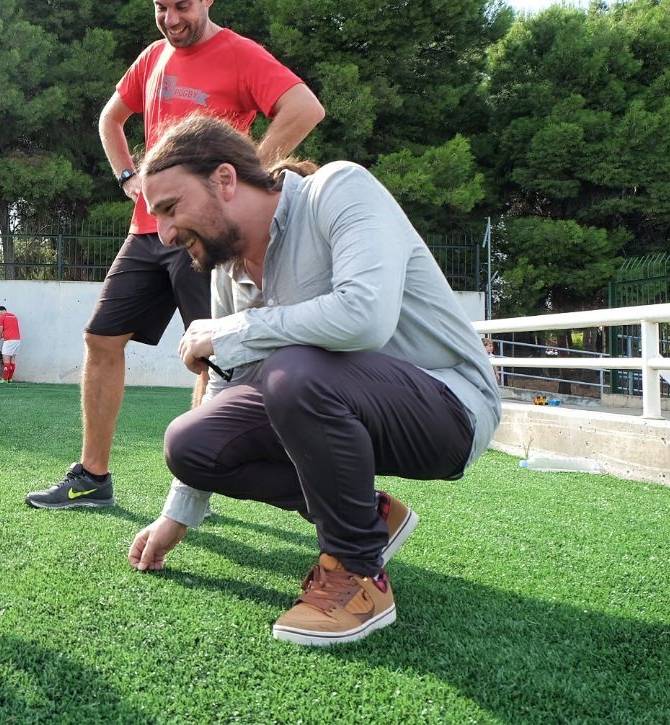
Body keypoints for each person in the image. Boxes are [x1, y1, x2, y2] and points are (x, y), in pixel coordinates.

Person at [124, 115, 501, 646]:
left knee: (292, 371)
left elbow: (364, 316)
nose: (162, 233)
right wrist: (178, 513)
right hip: (333, 400)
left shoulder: (338, 189)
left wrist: (237, 330)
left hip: (449, 406)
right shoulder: (228, 270)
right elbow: (228, 386)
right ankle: (369, 516)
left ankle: (358, 571)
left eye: (170, 208)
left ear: (225, 180)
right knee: (193, 442)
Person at [26, 0, 325, 509]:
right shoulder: (152, 57)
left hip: (206, 237)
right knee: (100, 338)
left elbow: (304, 107)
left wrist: (249, 172)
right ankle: (93, 478)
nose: (170, 19)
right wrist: (127, 178)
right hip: (147, 230)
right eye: (160, 7)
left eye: (182, 6)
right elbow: (111, 118)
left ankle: (193, 488)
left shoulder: (240, 54)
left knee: (210, 353)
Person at [0, 305, 21, 383]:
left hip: (9, 341)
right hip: (17, 340)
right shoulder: (14, 316)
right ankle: (10, 378)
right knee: (12, 359)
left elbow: (0, 331)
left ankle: (5, 379)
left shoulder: (2, 318)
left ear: (0, 312)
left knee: (6, 359)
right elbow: (10, 329)